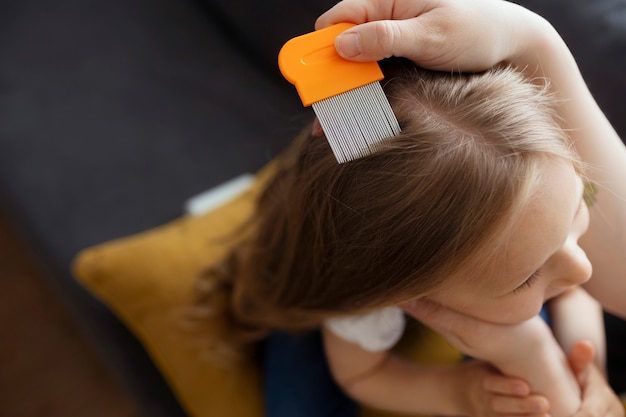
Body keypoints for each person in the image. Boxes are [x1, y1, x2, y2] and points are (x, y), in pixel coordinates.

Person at [191, 0, 626, 416]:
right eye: (526, 277)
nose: (584, 267)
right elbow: (365, 374)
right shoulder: (362, 304)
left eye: (576, 214)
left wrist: (587, 370)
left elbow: (573, 289)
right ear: (410, 292)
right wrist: (457, 393)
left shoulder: (540, 219)